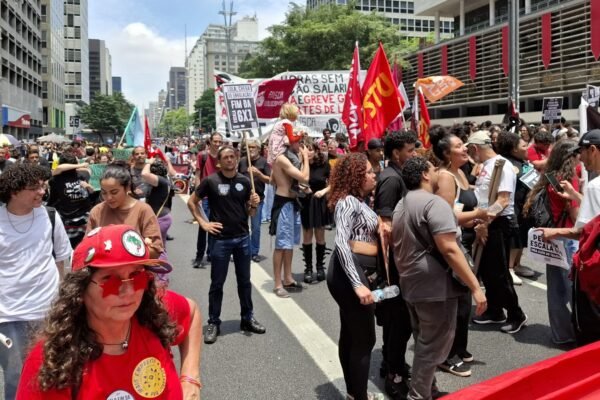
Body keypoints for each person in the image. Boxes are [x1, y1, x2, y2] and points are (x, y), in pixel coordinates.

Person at [15, 224, 201, 399]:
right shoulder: (52, 363)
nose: (128, 291)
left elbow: (191, 313)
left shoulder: (154, 312)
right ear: (80, 289)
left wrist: (190, 378)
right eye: (111, 279)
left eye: (137, 276)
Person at [393, 156, 487, 400]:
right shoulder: (434, 203)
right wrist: (475, 287)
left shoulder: (401, 204)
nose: (437, 172)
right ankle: (419, 395)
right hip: (434, 286)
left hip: (412, 282)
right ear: (425, 175)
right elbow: (449, 248)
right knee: (434, 346)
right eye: (433, 169)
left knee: (424, 340)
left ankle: (428, 388)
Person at [0, 163, 72, 400]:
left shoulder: (50, 215)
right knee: (16, 377)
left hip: (47, 311)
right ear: (14, 191)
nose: (42, 191)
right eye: (34, 188)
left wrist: (62, 300)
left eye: (42, 186)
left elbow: (61, 257)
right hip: (9, 315)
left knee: (53, 371)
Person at [187, 146, 266, 344]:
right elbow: (191, 202)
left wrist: (254, 204)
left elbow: (251, 214)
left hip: (242, 239)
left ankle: (247, 318)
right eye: (225, 158)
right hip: (220, 240)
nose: (230, 160)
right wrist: (204, 223)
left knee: (245, 282)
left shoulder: (245, 181)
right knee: (217, 284)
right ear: (219, 162)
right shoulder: (211, 181)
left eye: (232, 156)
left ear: (237, 158)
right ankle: (214, 322)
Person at [429, 127, 488, 378]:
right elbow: (446, 217)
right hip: (450, 246)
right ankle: (447, 356)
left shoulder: (462, 172)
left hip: (465, 240)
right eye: (459, 146)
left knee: (463, 300)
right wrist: (479, 214)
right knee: (457, 303)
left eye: (464, 145)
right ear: (446, 153)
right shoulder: (444, 177)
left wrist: (476, 221)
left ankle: (459, 347)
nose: (465, 148)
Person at [326, 153, 383, 400]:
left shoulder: (358, 202)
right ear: (356, 176)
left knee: (350, 334)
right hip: (348, 275)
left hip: (351, 274)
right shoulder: (347, 202)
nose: (373, 175)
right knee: (364, 338)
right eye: (369, 172)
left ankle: (353, 392)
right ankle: (359, 395)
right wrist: (358, 283)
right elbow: (341, 244)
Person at [466, 131, 528, 333]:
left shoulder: (503, 166)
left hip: (499, 222)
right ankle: (495, 310)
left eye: (469, 149)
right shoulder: (485, 166)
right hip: (485, 221)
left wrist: (485, 222)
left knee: (500, 272)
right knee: (486, 270)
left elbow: (502, 200)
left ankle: (516, 313)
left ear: (475, 148)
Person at [373, 130, 417, 397]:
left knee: (396, 321)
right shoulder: (390, 180)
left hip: (399, 263)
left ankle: (392, 361)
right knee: (398, 320)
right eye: (410, 150)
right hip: (395, 266)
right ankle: (394, 376)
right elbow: (385, 225)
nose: (414, 154)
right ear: (396, 153)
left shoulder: (399, 176)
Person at [523, 140, 581, 345]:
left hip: (552, 236)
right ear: (571, 156)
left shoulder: (549, 177)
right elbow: (576, 215)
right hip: (566, 237)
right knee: (574, 289)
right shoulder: (568, 179)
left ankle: (561, 334)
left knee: (556, 290)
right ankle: (579, 331)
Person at [87, 162, 164, 259]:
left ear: (127, 187)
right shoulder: (97, 211)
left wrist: (133, 250)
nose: (109, 197)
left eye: (114, 192)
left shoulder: (143, 210)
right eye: (104, 193)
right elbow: (87, 247)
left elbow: (156, 250)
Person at [270, 129, 310, 298]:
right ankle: (278, 283)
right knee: (281, 246)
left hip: (291, 202)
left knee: (290, 244)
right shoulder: (281, 158)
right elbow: (304, 177)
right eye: (298, 142)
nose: (300, 146)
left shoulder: (287, 159)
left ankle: (288, 277)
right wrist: (306, 158)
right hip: (284, 204)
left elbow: (272, 179)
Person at [496, 132, 536, 284]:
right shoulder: (507, 165)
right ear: (513, 149)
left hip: (526, 208)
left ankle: (517, 265)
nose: (528, 148)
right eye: (524, 145)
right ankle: (509, 268)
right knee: (514, 238)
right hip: (514, 208)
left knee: (522, 238)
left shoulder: (524, 163)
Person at [299, 139, 332, 283]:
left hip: (319, 201)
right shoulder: (300, 164)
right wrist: (303, 188)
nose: (307, 152)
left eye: (310, 149)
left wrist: (324, 191)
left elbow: (333, 183)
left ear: (316, 150)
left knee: (320, 234)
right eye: (304, 149)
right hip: (305, 202)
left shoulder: (324, 164)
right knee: (307, 235)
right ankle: (308, 268)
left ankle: (320, 267)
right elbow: (296, 182)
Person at [47, 152, 94, 248]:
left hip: (83, 218)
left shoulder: (83, 175)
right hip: (66, 219)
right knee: (69, 247)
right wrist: (80, 164)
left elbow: (91, 191)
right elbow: (59, 169)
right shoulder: (56, 178)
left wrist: (89, 187)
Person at [192, 132, 223, 269]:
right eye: (215, 141)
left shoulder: (223, 156)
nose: (217, 144)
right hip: (204, 196)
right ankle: (199, 256)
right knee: (203, 226)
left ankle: (211, 253)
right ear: (209, 142)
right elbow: (198, 175)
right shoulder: (202, 155)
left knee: (215, 226)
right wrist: (197, 196)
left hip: (218, 196)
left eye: (219, 142)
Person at [238, 138, 271, 262]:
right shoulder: (242, 161)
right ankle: (243, 250)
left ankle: (254, 251)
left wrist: (259, 175)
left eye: (253, 147)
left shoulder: (263, 162)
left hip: (258, 200)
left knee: (256, 227)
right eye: (249, 147)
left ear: (258, 149)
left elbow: (270, 180)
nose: (251, 149)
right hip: (242, 200)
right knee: (241, 226)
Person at [142, 158, 175, 245]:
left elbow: (144, 174)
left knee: (155, 246)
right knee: (160, 246)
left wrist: (148, 162)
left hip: (160, 218)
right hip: (162, 217)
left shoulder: (161, 181)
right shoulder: (164, 180)